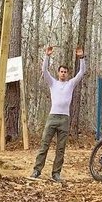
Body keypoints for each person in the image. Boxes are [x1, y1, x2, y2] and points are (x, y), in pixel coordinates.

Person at [31, 45, 86, 182]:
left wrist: (81, 58)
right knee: (44, 145)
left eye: (65, 72)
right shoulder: (52, 83)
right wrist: (47, 56)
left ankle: (56, 173)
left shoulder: (71, 84)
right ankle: (37, 170)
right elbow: (44, 70)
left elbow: (82, 72)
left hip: (64, 119)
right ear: (58, 73)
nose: (63, 73)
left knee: (60, 149)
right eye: (61, 71)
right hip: (52, 117)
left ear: (67, 74)